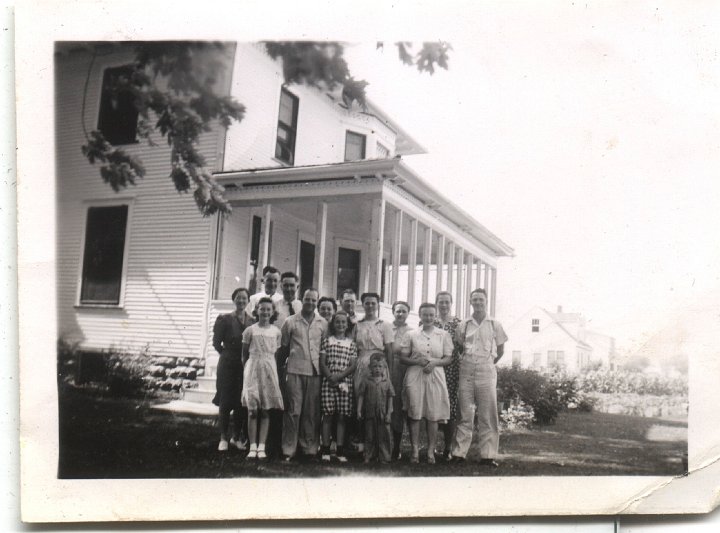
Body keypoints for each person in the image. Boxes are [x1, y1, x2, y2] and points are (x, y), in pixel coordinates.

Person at [450, 288, 508, 467]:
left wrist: (487, 363)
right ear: (470, 302)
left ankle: (488, 456)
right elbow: (459, 346)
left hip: (486, 370)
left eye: (481, 300)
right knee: (465, 413)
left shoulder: (495, 324)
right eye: (474, 300)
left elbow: (500, 351)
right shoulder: (464, 324)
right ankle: (459, 453)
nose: (478, 303)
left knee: (487, 414)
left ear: (486, 301)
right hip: (466, 370)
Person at [400, 303, 452, 464]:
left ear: (435, 316)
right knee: (415, 413)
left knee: (433, 414)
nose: (428, 318)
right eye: (425, 315)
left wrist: (434, 363)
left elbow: (448, 358)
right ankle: (415, 450)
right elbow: (403, 357)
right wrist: (417, 361)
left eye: (431, 315)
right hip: (415, 374)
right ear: (420, 316)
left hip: (435, 375)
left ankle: (430, 451)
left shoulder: (443, 334)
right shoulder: (411, 334)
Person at [279, 288, 327, 461]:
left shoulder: (323, 323)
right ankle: (289, 448)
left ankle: (309, 448)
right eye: (307, 299)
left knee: (311, 411)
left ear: (317, 302)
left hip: (315, 372)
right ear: (302, 299)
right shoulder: (290, 321)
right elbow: (283, 347)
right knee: (293, 410)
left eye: (314, 300)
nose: (310, 303)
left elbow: (324, 348)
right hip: (294, 370)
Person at [241, 297, 284, 460]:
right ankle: (252, 446)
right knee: (252, 409)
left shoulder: (276, 331)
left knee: (266, 409)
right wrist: (248, 370)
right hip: (252, 369)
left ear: (273, 312)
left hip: (269, 369)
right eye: (262, 309)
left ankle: (262, 446)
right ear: (256, 310)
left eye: (268, 309)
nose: (265, 312)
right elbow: (244, 355)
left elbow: (277, 355)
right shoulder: (250, 330)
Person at [352, 292, 393, 452]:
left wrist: (388, 371)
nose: (370, 306)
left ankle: (380, 445)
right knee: (362, 401)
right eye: (367, 303)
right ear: (362, 305)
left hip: (379, 364)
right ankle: (363, 444)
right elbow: (354, 347)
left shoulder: (384, 325)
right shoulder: (357, 324)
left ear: (378, 305)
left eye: (373, 303)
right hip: (361, 364)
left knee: (380, 403)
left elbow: (389, 349)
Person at [212, 288, 251, 452]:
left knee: (241, 403)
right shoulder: (225, 319)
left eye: (244, 298)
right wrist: (226, 355)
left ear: (248, 301)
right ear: (234, 300)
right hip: (228, 364)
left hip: (245, 365)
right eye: (238, 298)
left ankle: (236, 437)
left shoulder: (252, 320)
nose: (241, 301)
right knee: (226, 401)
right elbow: (216, 343)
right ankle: (223, 438)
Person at [319, 311, 357, 463]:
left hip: (344, 382)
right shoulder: (327, 341)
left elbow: (353, 365)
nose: (340, 325)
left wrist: (339, 377)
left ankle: (340, 449)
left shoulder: (351, 343)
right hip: (328, 382)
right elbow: (322, 362)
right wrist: (330, 376)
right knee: (327, 415)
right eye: (337, 322)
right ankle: (326, 448)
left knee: (341, 416)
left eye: (343, 322)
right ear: (333, 324)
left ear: (347, 325)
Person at [433, 291, 463, 460]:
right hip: (434, 367)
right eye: (441, 302)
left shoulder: (458, 323)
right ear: (436, 303)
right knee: (434, 405)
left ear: (451, 304)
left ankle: (448, 448)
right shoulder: (430, 320)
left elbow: (461, 346)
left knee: (450, 407)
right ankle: (434, 445)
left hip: (451, 369)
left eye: (447, 302)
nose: (443, 305)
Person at [356, 353, 394, 464]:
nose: (377, 369)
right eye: (375, 366)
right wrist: (359, 410)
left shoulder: (386, 382)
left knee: (384, 435)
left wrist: (389, 413)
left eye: (380, 366)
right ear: (370, 368)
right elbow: (361, 396)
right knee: (369, 435)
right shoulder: (366, 381)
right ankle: (368, 455)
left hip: (383, 413)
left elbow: (391, 396)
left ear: (384, 368)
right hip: (370, 413)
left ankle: (384, 456)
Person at [389, 300, 412, 460]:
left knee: (403, 407)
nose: (400, 314)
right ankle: (389, 445)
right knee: (389, 406)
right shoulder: (386, 328)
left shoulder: (412, 331)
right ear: (393, 312)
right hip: (388, 368)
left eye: (404, 311)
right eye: (398, 311)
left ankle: (402, 447)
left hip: (406, 369)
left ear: (408, 314)